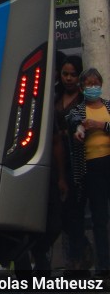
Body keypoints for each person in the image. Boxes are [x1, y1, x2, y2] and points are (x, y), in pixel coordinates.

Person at [67, 67, 110, 278]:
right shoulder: (78, 110)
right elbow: (73, 122)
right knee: (99, 218)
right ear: (82, 87)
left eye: (96, 83)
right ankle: (104, 266)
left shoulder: (108, 107)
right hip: (91, 168)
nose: (93, 88)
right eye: (88, 84)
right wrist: (80, 129)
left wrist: (101, 125)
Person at [54, 55, 92, 276]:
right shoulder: (56, 97)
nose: (68, 78)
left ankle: (79, 263)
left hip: (79, 162)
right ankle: (79, 253)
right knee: (64, 214)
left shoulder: (84, 101)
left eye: (73, 74)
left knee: (77, 212)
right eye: (65, 74)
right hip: (59, 164)